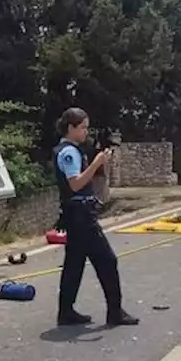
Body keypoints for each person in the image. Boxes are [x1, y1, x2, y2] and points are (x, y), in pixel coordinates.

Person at [53, 108, 138, 327]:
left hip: (74, 215)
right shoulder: (69, 153)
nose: (85, 132)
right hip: (81, 216)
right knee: (108, 261)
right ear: (71, 127)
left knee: (74, 264)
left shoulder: (68, 150)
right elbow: (76, 183)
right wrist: (96, 163)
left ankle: (66, 311)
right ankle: (115, 312)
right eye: (82, 128)